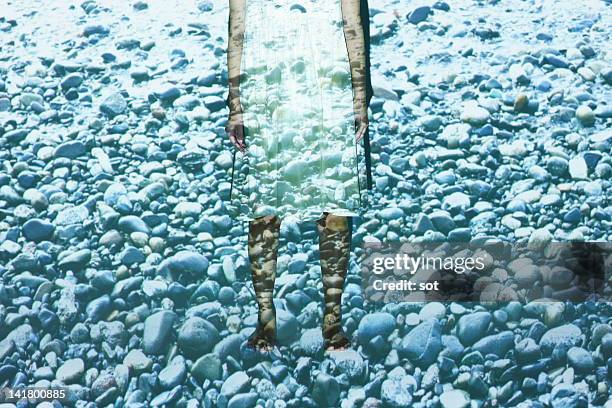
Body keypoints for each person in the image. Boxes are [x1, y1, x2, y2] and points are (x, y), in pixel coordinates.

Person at [225, 0, 373, 352]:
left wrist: (235, 101)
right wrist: (358, 93)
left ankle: (275, 322)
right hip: (305, 82)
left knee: (281, 206)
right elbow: (352, 22)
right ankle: (326, 323)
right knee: (320, 204)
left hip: (293, 82)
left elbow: (238, 28)